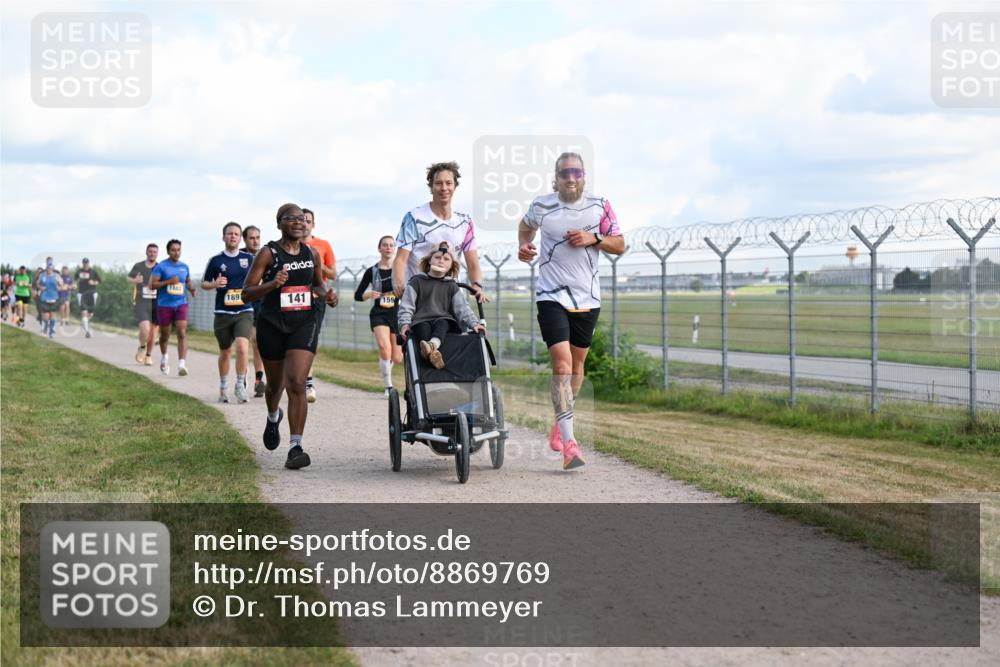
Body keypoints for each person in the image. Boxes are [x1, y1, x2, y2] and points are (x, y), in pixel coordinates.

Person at [517, 152, 625, 470]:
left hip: (588, 298)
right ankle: (570, 445)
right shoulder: (542, 205)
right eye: (565, 173)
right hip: (551, 295)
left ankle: (559, 423)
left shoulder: (600, 205)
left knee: (578, 368)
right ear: (557, 176)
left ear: (584, 175)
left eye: (576, 172)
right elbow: (525, 227)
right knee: (562, 367)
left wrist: (595, 238)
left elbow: (619, 244)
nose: (571, 178)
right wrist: (524, 246)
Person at [242, 203, 338, 470]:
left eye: (302, 219)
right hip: (272, 324)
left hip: (304, 323)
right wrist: (274, 284)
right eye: (291, 218)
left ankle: (296, 447)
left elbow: (317, 284)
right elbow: (246, 293)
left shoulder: (312, 253)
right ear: (279, 223)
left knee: (297, 383)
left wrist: (327, 295)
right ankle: (273, 417)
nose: (298, 222)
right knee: (276, 387)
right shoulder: (267, 253)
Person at [392, 161, 489, 304]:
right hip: (419, 297)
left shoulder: (465, 222)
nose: (444, 188)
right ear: (431, 187)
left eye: (448, 183)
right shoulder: (414, 218)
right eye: (438, 183)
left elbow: (473, 263)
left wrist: (477, 285)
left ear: (455, 186)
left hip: (450, 297)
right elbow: (400, 260)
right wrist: (399, 285)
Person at [397, 244, 484, 370]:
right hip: (421, 320)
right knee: (422, 327)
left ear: (451, 266)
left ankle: (431, 346)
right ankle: (432, 353)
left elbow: (462, 308)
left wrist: (474, 323)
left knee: (443, 323)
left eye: (446, 259)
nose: (441, 261)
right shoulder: (416, 282)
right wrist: (404, 324)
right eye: (437, 257)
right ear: (429, 260)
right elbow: (407, 306)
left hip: (443, 319)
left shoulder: (451, 285)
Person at [202, 222, 256, 403]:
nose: (233, 236)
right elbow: (204, 283)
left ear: (240, 238)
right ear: (223, 237)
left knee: (242, 348)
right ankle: (223, 386)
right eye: (229, 233)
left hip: (244, 311)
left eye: (236, 234)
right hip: (222, 313)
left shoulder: (249, 259)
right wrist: (215, 284)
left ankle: (240, 385)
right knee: (225, 352)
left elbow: (260, 277)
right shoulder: (215, 261)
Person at [354, 235, 403, 393]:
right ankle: (388, 386)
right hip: (379, 313)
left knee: (397, 357)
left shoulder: (401, 269)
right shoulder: (372, 271)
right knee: (384, 347)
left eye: (391, 245)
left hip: (396, 313)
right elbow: (357, 295)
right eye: (385, 245)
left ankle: (386, 364)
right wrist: (369, 294)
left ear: (395, 249)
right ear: (379, 248)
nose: (388, 247)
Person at [301, 208, 336, 403]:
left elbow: (332, 274)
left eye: (308, 220)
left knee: (310, 339)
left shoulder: (323, 245)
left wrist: (316, 263)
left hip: (315, 298)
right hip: (292, 298)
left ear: (313, 224)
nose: (304, 223)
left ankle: (308, 382)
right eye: (301, 219)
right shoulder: (290, 245)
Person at [150, 239, 196, 376]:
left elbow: (187, 281)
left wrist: (191, 289)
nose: (176, 252)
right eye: (173, 250)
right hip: (164, 305)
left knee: (182, 333)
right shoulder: (161, 267)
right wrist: (169, 282)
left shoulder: (185, 267)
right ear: (168, 251)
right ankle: (164, 357)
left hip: (181, 303)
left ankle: (181, 364)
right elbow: (153, 285)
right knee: (165, 336)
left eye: (178, 250)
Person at [241, 225, 266, 397]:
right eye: (251, 238)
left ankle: (259, 379)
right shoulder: (239, 256)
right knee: (242, 344)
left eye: (257, 237)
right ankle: (241, 377)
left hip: (261, 303)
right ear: (245, 239)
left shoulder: (265, 255)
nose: (255, 241)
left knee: (258, 343)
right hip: (243, 303)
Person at [127, 243, 159, 365]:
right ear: (146, 252)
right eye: (150, 251)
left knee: (153, 333)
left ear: (157, 253)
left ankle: (149, 356)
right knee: (145, 329)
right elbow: (129, 278)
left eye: (154, 252)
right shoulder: (139, 266)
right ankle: (141, 347)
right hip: (141, 302)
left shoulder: (160, 267)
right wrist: (135, 280)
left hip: (156, 303)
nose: (152, 254)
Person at [35, 260, 66, 338]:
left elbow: (61, 284)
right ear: (46, 268)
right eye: (48, 268)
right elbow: (37, 283)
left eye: (51, 268)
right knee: (46, 316)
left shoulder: (56, 275)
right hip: (45, 297)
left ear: (53, 268)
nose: (49, 269)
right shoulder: (42, 275)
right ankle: (45, 326)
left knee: (52, 315)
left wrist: (60, 283)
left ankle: (51, 332)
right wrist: (40, 287)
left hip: (54, 297)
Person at [74, 257, 101, 338]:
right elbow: (75, 279)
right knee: (84, 312)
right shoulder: (79, 271)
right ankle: (87, 331)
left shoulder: (93, 272)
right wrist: (74, 284)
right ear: (82, 264)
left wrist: (94, 282)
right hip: (82, 294)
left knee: (91, 313)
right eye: (84, 263)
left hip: (92, 294)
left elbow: (100, 281)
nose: (85, 264)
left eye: (87, 263)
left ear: (89, 263)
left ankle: (84, 323)